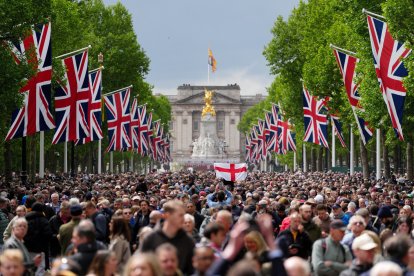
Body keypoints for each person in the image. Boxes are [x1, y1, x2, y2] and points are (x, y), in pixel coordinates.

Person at [141, 200, 195, 275]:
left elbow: (191, 270)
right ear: (167, 215)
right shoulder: (150, 239)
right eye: (180, 215)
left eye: (184, 215)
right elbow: (143, 266)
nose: (183, 219)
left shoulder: (188, 240)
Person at [24, 202, 52, 276]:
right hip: (41, 250)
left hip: (28, 249)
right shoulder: (44, 220)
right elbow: (49, 234)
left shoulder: (26, 219)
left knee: (29, 268)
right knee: (40, 269)